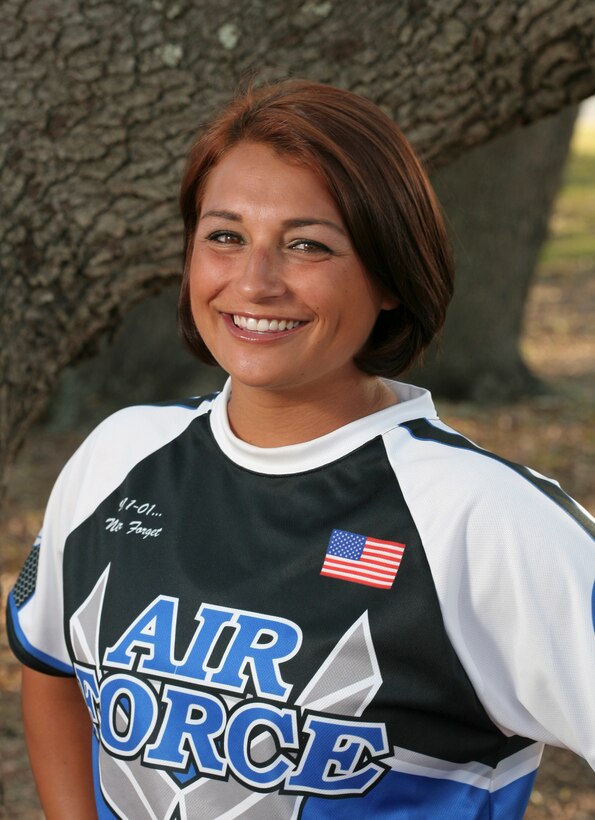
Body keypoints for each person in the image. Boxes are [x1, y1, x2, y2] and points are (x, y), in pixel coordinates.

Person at [7, 80, 594, 820]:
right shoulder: (119, 455)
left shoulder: (480, 520)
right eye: (225, 236)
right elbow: (53, 669)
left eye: (306, 245)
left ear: (390, 274)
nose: (254, 282)